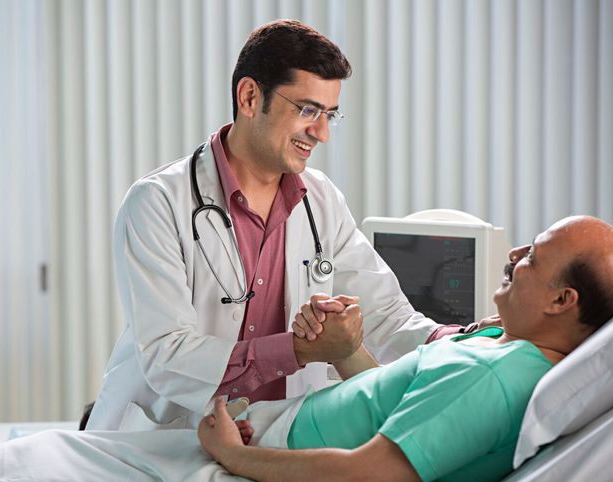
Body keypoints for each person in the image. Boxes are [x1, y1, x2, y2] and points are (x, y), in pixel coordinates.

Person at [87, 19, 444, 431]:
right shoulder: (158, 202)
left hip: (274, 440)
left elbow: (387, 315)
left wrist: (461, 340)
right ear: (250, 96)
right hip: (167, 437)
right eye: (307, 110)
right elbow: (168, 356)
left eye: (329, 114)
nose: (322, 133)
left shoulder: (321, 200)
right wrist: (298, 349)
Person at [198, 216, 613, 482]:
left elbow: (357, 479)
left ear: (561, 301)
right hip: (270, 448)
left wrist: (234, 456)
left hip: (269, 467)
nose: (515, 253)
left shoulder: (490, 378)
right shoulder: (502, 344)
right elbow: (391, 407)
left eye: (534, 256)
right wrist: (346, 350)